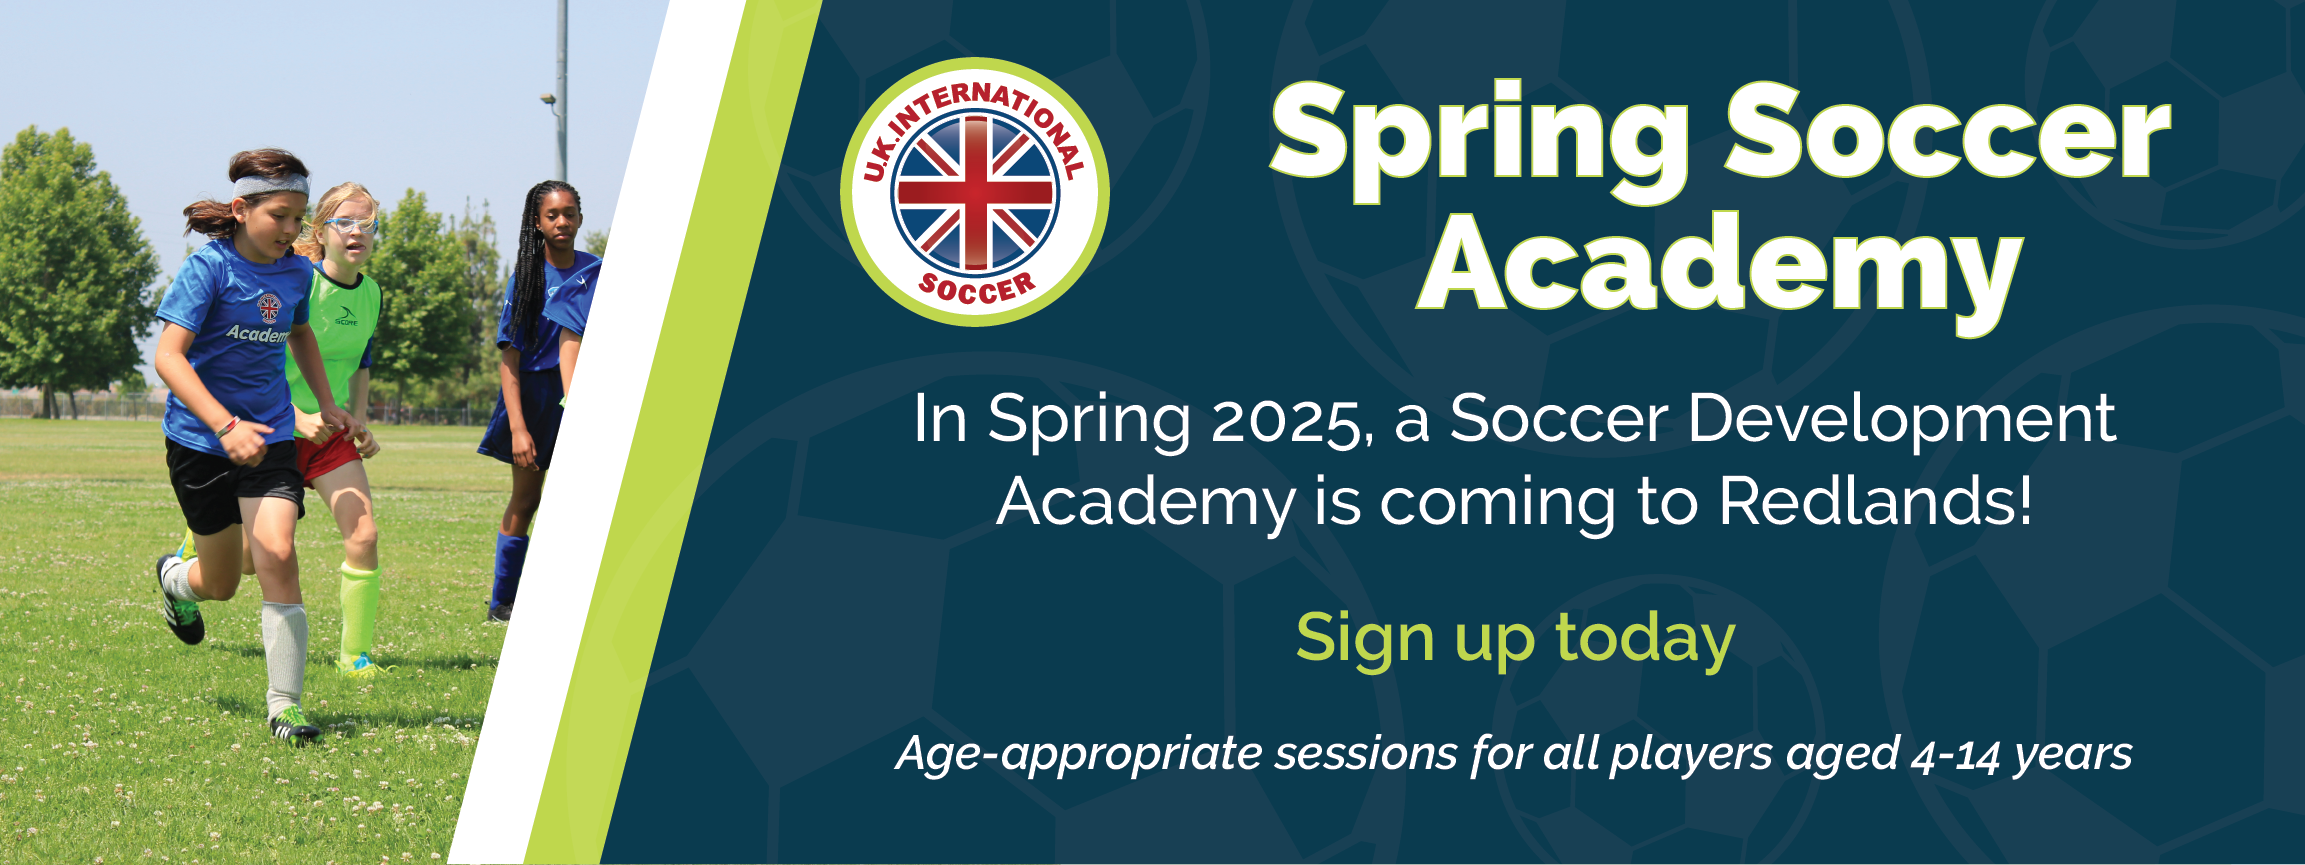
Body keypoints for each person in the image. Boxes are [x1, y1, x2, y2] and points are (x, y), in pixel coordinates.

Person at [150, 149, 355, 747]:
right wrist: (222, 425)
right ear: (242, 210)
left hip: (270, 437)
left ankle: (284, 707)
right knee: (222, 582)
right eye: (282, 217)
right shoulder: (206, 269)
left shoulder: (295, 272)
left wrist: (324, 402)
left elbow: (300, 332)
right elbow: (168, 357)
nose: (293, 231)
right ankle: (174, 581)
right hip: (200, 443)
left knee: (277, 551)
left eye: (300, 218)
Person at [476, 180, 599, 622]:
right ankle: (502, 603)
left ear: (581, 218)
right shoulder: (526, 279)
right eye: (552, 215)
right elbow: (510, 359)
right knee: (526, 501)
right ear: (537, 223)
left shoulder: (599, 271)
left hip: (582, 397)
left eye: (569, 213)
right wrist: (520, 427)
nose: (562, 221)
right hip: (532, 399)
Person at [284, 182, 391, 678]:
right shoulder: (295, 280)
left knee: (363, 534)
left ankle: (354, 657)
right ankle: (192, 547)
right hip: (274, 431)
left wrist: (359, 421)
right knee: (241, 565)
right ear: (319, 231)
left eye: (366, 224)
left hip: (329, 436)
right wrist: (292, 416)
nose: (357, 232)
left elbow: (362, 361)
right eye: (345, 222)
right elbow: (256, 357)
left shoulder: (371, 293)